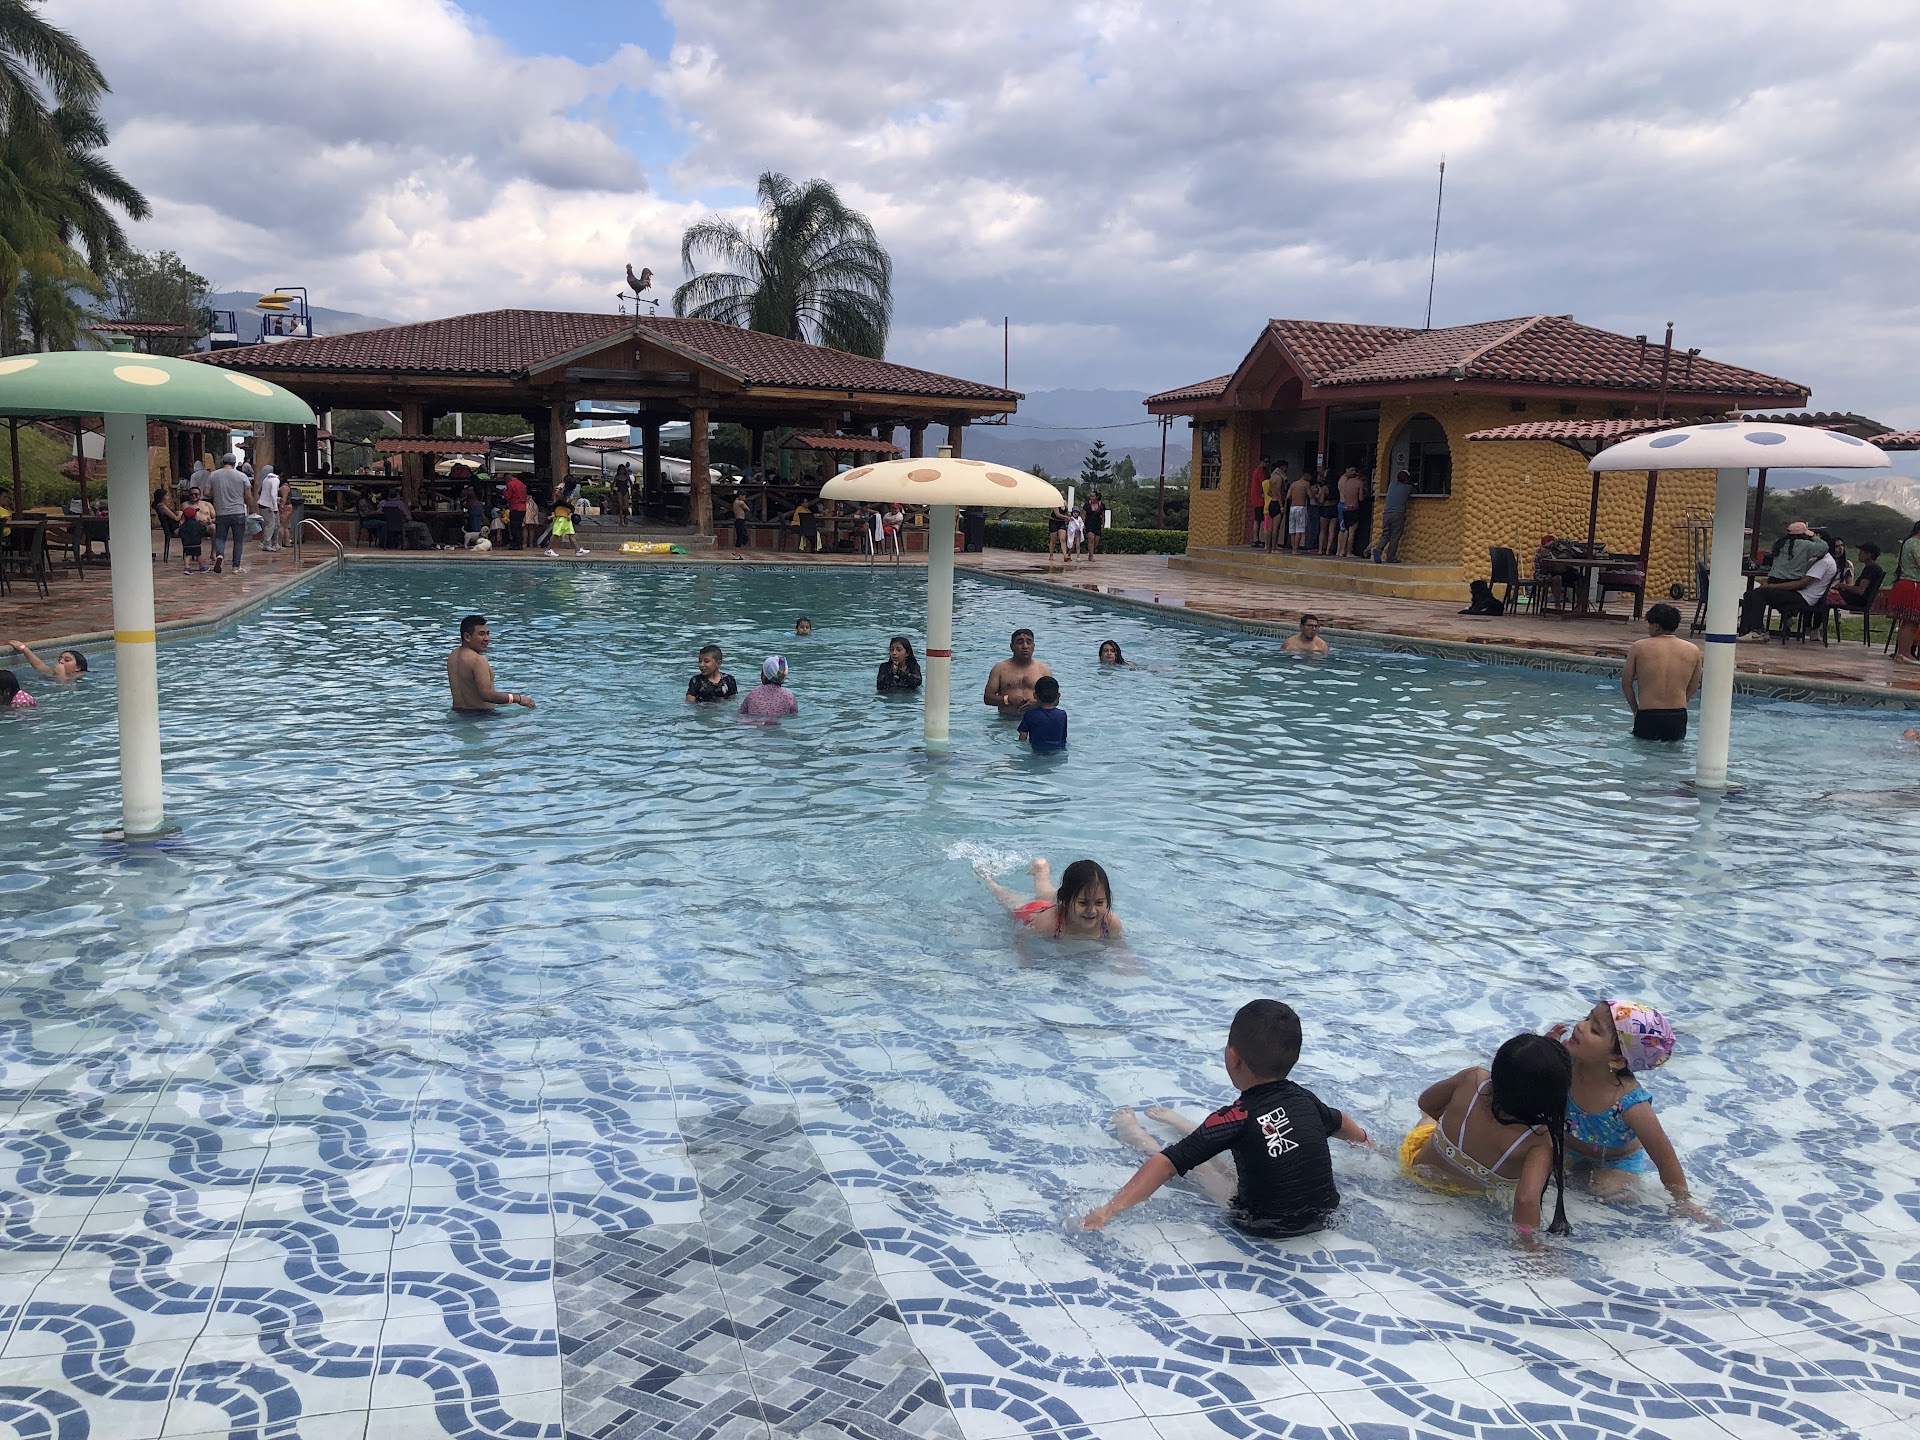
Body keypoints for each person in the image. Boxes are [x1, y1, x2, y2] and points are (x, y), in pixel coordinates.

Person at [1081, 999, 1369, 1235]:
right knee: (1237, 1157)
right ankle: (1180, 1123)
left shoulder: (1236, 1116)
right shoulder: (1305, 1099)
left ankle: (1134, 1133)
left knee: (1201, 1167)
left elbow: (1166, 1164)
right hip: (1324, 1215)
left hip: (1263, 1224)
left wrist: (1109, 1210)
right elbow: (1341, 1122)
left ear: (1233, 1057)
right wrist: (1369, 1145)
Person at [1549, 1000, 1711, 1221]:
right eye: (1587, 1018)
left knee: (1605, 1192)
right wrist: (1546, 1051)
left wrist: (1682, 1201)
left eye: (1594, 1029)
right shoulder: (1565, 1063)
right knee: (1541, 1172)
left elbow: (1665, 1159)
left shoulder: (1631, 1104)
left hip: (1616, 1161)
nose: (1580, 1026)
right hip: (1567, 1148)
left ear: (1617, 1060)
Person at [1401, 1033, 1573, 1238]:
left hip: (1415, 1174)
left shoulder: (1473, 1080)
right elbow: (1525, 1200)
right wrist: (1528, 1244)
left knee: (1428, 1121)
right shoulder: (1539, 1140)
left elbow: (1426, 1103)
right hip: (1465, 1205)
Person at [978, 857, 1125, 943]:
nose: (1091, 910)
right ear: (1064, 900)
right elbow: (1020, 938)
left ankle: (1041, 869)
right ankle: (988, 879)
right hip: (1035, 912)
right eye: (1083, 903)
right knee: (1013, 902)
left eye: (1099, 902)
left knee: (1045, 892)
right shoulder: (1047, 924)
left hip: (1060, 908)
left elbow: (1121, 951)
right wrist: (1026, 963)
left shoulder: (1109, 923)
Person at [1622, 603, 1702, 741]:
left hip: (1647, 713)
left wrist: (1636, 710)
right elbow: (1694, 685)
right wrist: (1681, 703)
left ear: (1656, 626)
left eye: (1649, 624)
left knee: (1644, 751)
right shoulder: (1693, 650)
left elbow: (1626, 684)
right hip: (1677, 715)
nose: (1648, 628)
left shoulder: (1639, 647)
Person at [1738, 541, 1836, 641]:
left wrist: (1770, 586)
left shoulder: (1825, 562)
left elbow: (1801, 583)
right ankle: (1746, 629)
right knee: (1750, 594)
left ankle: (1758, 631)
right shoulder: (1816, 560)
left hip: (1804, 597)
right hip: (1799, 592)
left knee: (1760, 593)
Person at [446, 614, 536, 714]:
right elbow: (486, 695)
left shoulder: (453, 655)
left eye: (487, 634)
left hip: (457, 713)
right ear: (467, 637)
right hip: (482, 716)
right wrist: (518, 699)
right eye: (481, 634)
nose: (487, 638)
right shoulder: (478, 660)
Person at [982, 628, 1050, 714]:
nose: (1025, 646)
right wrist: (1007, 700)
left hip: (1035, 718)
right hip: (1006, 719)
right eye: (1020, 642)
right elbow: (987, 698)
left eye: (1029, 642)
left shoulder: (1043, 670)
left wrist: (1036, 704)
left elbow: (1054, 700)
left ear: (1033, 646)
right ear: (1012, 647)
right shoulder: (1000, 669)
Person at [206, 453, 252, 574]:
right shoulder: (242, 476)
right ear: (234, 463)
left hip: (221, 512)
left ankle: (219, 555)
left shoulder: (213, 475)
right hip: (238, 512)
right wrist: (254, 509)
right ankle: (236, 567)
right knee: (238, 540)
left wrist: (216, 494)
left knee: (220, 538)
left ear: (223, 462)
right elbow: (248, 496)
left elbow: (206, 493)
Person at [1887, 520, 1920, 666]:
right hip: (1913, 583)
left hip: (1906, 583)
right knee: (1911, 621)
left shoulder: (1909, 542)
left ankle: (1902, 652)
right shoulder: (1915, 543)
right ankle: (1905, 652)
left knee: (1907, 621)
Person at [1372, 469, 1414, 563]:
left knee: (1386, 534)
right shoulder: (1408, 488)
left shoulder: (1391, 485)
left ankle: (1378, 549)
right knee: (1395, 536)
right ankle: (1390, 557)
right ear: (1406, 479)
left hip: (1386, 513)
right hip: (1398, 514)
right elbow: (1414, 491)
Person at [1018, 675, 1067, 752]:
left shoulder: (1030, 714)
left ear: (1035, 695)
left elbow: (1022, 738)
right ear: (1058, 696)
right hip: (1057, 750)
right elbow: (1063, 738)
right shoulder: (1062, 715)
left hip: (1037, 750)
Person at [1835, 542, 1882, 611]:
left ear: (1868, 555)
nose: (1858, 554)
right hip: (1860, 600)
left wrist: (1842, 585)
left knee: (1827, 595)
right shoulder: (1875, 568)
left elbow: (1860, 590)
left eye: (1861, 552)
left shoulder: (1871, 569)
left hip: (1857, 601)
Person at [7, 642, 87, 681]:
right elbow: (39, 666)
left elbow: (67, 688)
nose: (61, 662)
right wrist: (23, 648)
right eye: (59, 659)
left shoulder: (78, 676)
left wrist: (61, 674)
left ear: (78, 667)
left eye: (67, 660)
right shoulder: (53, 671)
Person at [1335, 467, 1364, 557]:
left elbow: (1344, 494)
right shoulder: (1359, 483)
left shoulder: (1347, 482)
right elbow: (1361, 498)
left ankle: (1342, 550)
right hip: (1354, 508)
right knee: (1352, 531)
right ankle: (1349, 552)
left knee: (1346, 530)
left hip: (1345, 508)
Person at [1283, 468, 1310, 554]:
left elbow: (1288, 496)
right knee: (1299, 529)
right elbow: (1310, 495)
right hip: (1301, 507)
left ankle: (1293, 549)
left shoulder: (1293, 484)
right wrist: (1315, 491)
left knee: (1292, 530)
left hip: (1292, 507)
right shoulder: (1306, 484)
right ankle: (1296, 549)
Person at [255, 467, 282, 553]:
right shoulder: (275, 480)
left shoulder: (266, 479)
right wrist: (275, 507)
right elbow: (273, 494)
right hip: (268, 505)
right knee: (271, 524)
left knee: (275, 524)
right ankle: (266, 543)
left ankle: (274, 543)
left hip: (263, 503)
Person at [178, 500, 209, 573]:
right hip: (196, 543)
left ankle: (187, 568)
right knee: (199, 556)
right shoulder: (198, 524)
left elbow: (180, 533)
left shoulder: (183, 526)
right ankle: (201, 567)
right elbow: (203, 530)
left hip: (186, 544)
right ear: (194, 516)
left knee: (187, 556)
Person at [1309, 470, 1335, 556]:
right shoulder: (1337, 487)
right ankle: (1328, 550)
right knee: (1331, 530)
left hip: (1325, 508)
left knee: (1323, 530)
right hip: (1334, 507)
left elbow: (1321, 500)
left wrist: (1315, 498)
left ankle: (1320, 549)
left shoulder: (1324, 488)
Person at [152, 488, 181, 564]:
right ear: (162, 497)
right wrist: (181, 513)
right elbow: (176, 518)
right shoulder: (162, 506)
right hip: (174, 529)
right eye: (167, 496)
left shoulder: (163, 506)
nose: (168, 497)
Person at [504, 472, 529, 550]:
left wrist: (503, 491)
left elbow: (508, 496)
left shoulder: (510, 484)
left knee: (514, 527)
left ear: (507, 478)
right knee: (519, 526)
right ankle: (520, 543)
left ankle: (516, 544)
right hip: (523, 507)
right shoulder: (521, 484)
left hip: (515, 507)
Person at [1246, 457, 1268, 548]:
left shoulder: (1256, 471)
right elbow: (1264, 483)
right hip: (1260, 499)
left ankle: (1256, 539)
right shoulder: (1260, 471)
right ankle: (1261, 539)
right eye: (1265, 462)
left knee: (1257, 519)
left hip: (1256, 499)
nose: (1267, 464)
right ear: (1261, 461)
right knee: (1262, 519)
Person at [1046, 498, 1073, 564]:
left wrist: (1071, 515)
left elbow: (1066, 512)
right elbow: (1057, 514)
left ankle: (1065, 556)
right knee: (1053, 540)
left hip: (1061, 522)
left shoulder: (1065, 502)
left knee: (1063, 539)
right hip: (1054, 522)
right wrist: (1066, 517)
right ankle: (1051, 555)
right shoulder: (1055, 503)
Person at [1084, 489, 1107, 560]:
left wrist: (1103, 525)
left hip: (1097, 524)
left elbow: (1103, 516)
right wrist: (1083, 524)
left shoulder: (1102, 505)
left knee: (1096, 541)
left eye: (1092, 496)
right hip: (1089, 523)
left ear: (1097, 497)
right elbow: (1083, 515)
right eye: (1090, 496)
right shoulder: (1087, 505)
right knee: (1091, 539)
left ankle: (1090, 552)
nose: (1091, 497)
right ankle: (1091, 556)